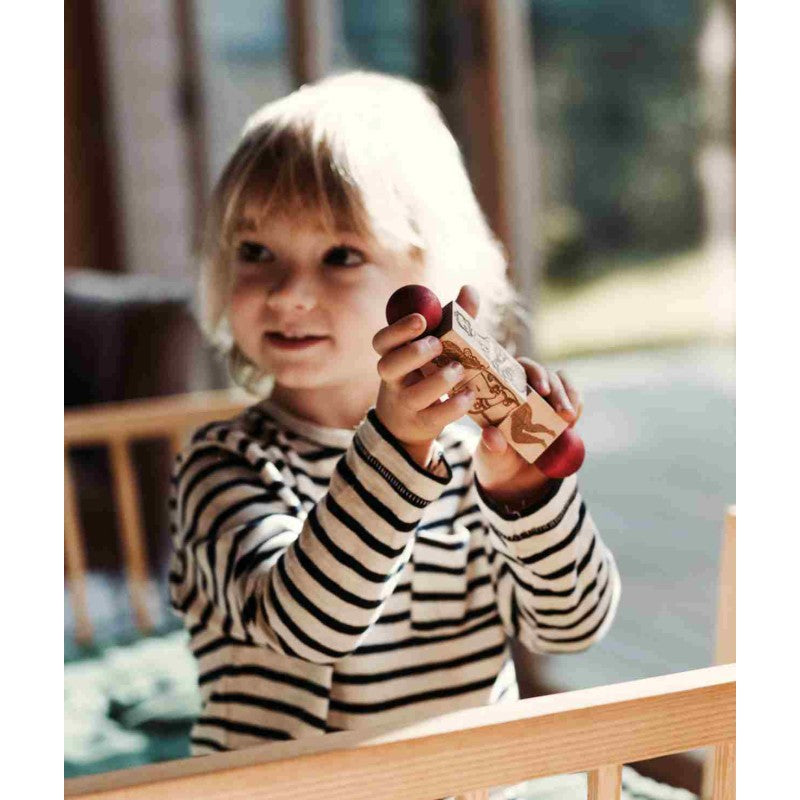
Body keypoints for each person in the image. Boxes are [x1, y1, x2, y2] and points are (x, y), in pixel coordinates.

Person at [168, 72, 621, 794]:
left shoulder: (480, 465)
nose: (288, 293)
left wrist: (527, 498)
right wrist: (398, 447)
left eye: (340, 256)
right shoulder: (222, 466)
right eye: (255, 252)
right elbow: (309, 628)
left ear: (433, 280)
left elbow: (574, 627)